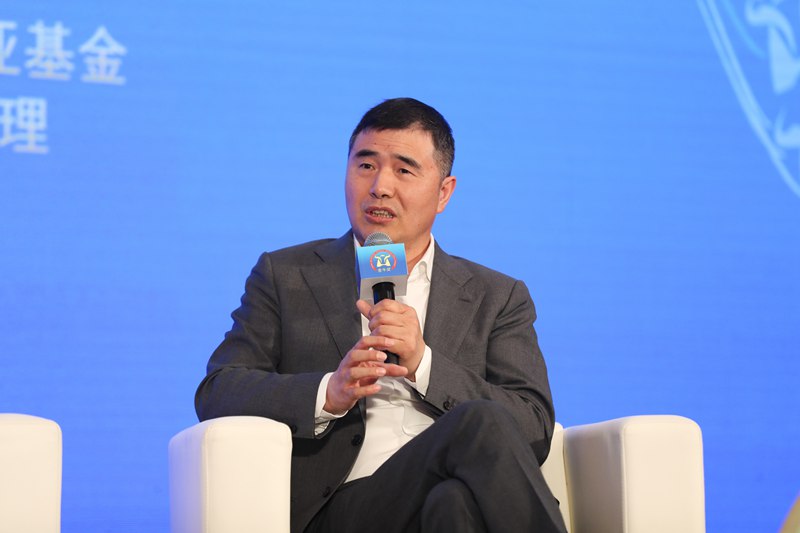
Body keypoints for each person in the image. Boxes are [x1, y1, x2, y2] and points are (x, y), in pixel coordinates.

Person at [195, 97, 567, 533]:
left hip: (450, 499)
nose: (380, 187)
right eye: (366, 165)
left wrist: (424, 364)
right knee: (479, 421)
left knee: (454, 503)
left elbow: (534, 428)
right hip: (343, 508)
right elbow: (219, 389)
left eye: (404, 170)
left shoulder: (497, 295)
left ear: (444, 192)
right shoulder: (287, 275)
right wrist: (328, 393)